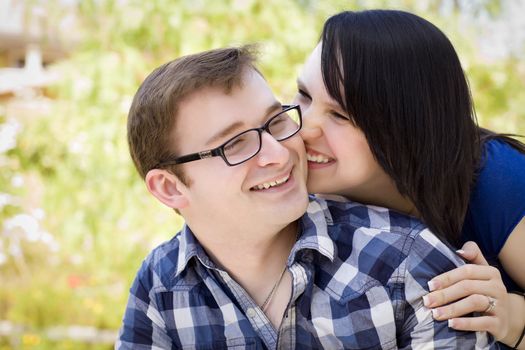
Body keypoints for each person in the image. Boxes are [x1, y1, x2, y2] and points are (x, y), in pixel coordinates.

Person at [116, 46, 495, 349]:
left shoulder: (406, 262)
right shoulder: (160, 286)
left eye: (276, 122)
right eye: (236, 144)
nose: (279, 154)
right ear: (170, 187)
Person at [295, 9, 525, 349]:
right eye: (304, 95)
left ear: (403, 126)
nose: (304, 126)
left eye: (339, 115)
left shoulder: (498, 180)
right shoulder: (295, 188)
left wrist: (510, 317)